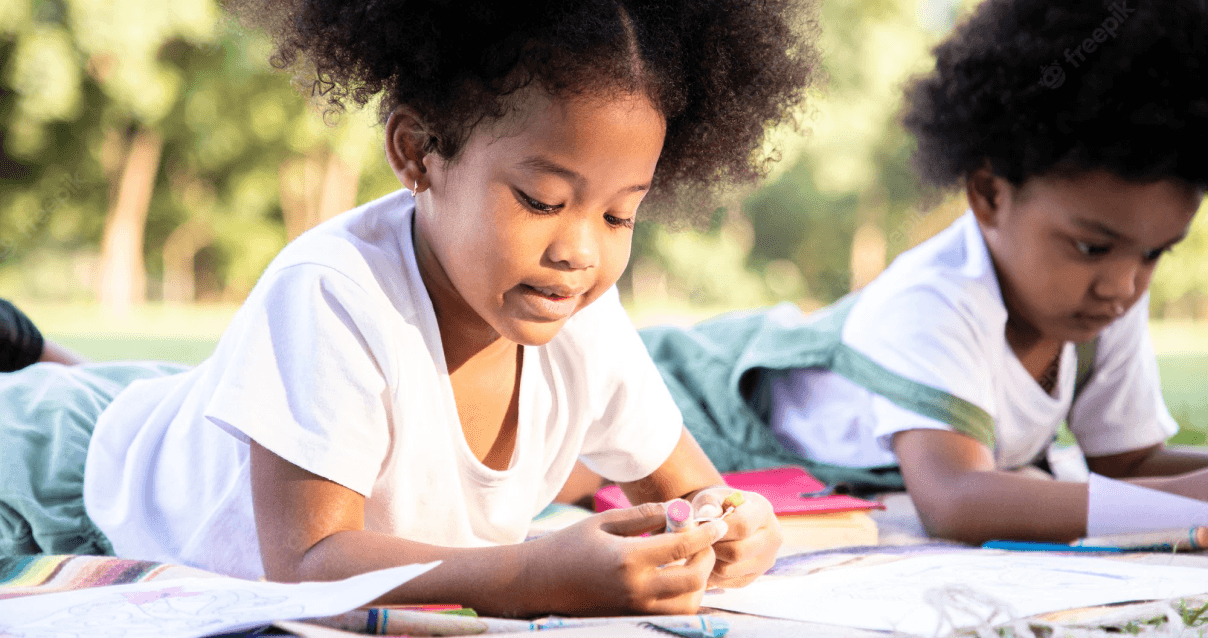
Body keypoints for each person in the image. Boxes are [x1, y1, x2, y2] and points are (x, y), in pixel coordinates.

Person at [0, 0, 822, 616]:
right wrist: (535, 575)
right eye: (541, 200)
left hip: (177, 417)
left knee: (170, 395)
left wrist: (738, 525)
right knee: (61, 404)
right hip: (64, 474)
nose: (581, 251)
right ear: (416, 153)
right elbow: (311, 562)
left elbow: (697, 490)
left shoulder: (583, 320)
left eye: (618, 215)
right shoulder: (329, 291)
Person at [640, 0, 1208, 545]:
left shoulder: (1101, 304)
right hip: (690, 403)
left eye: (1155, 253)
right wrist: (1186, 504)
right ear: (989, 194)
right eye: (1091, 247)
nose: (1125, 285)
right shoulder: (932, 300)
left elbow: (1127, 464)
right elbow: (956, 501)